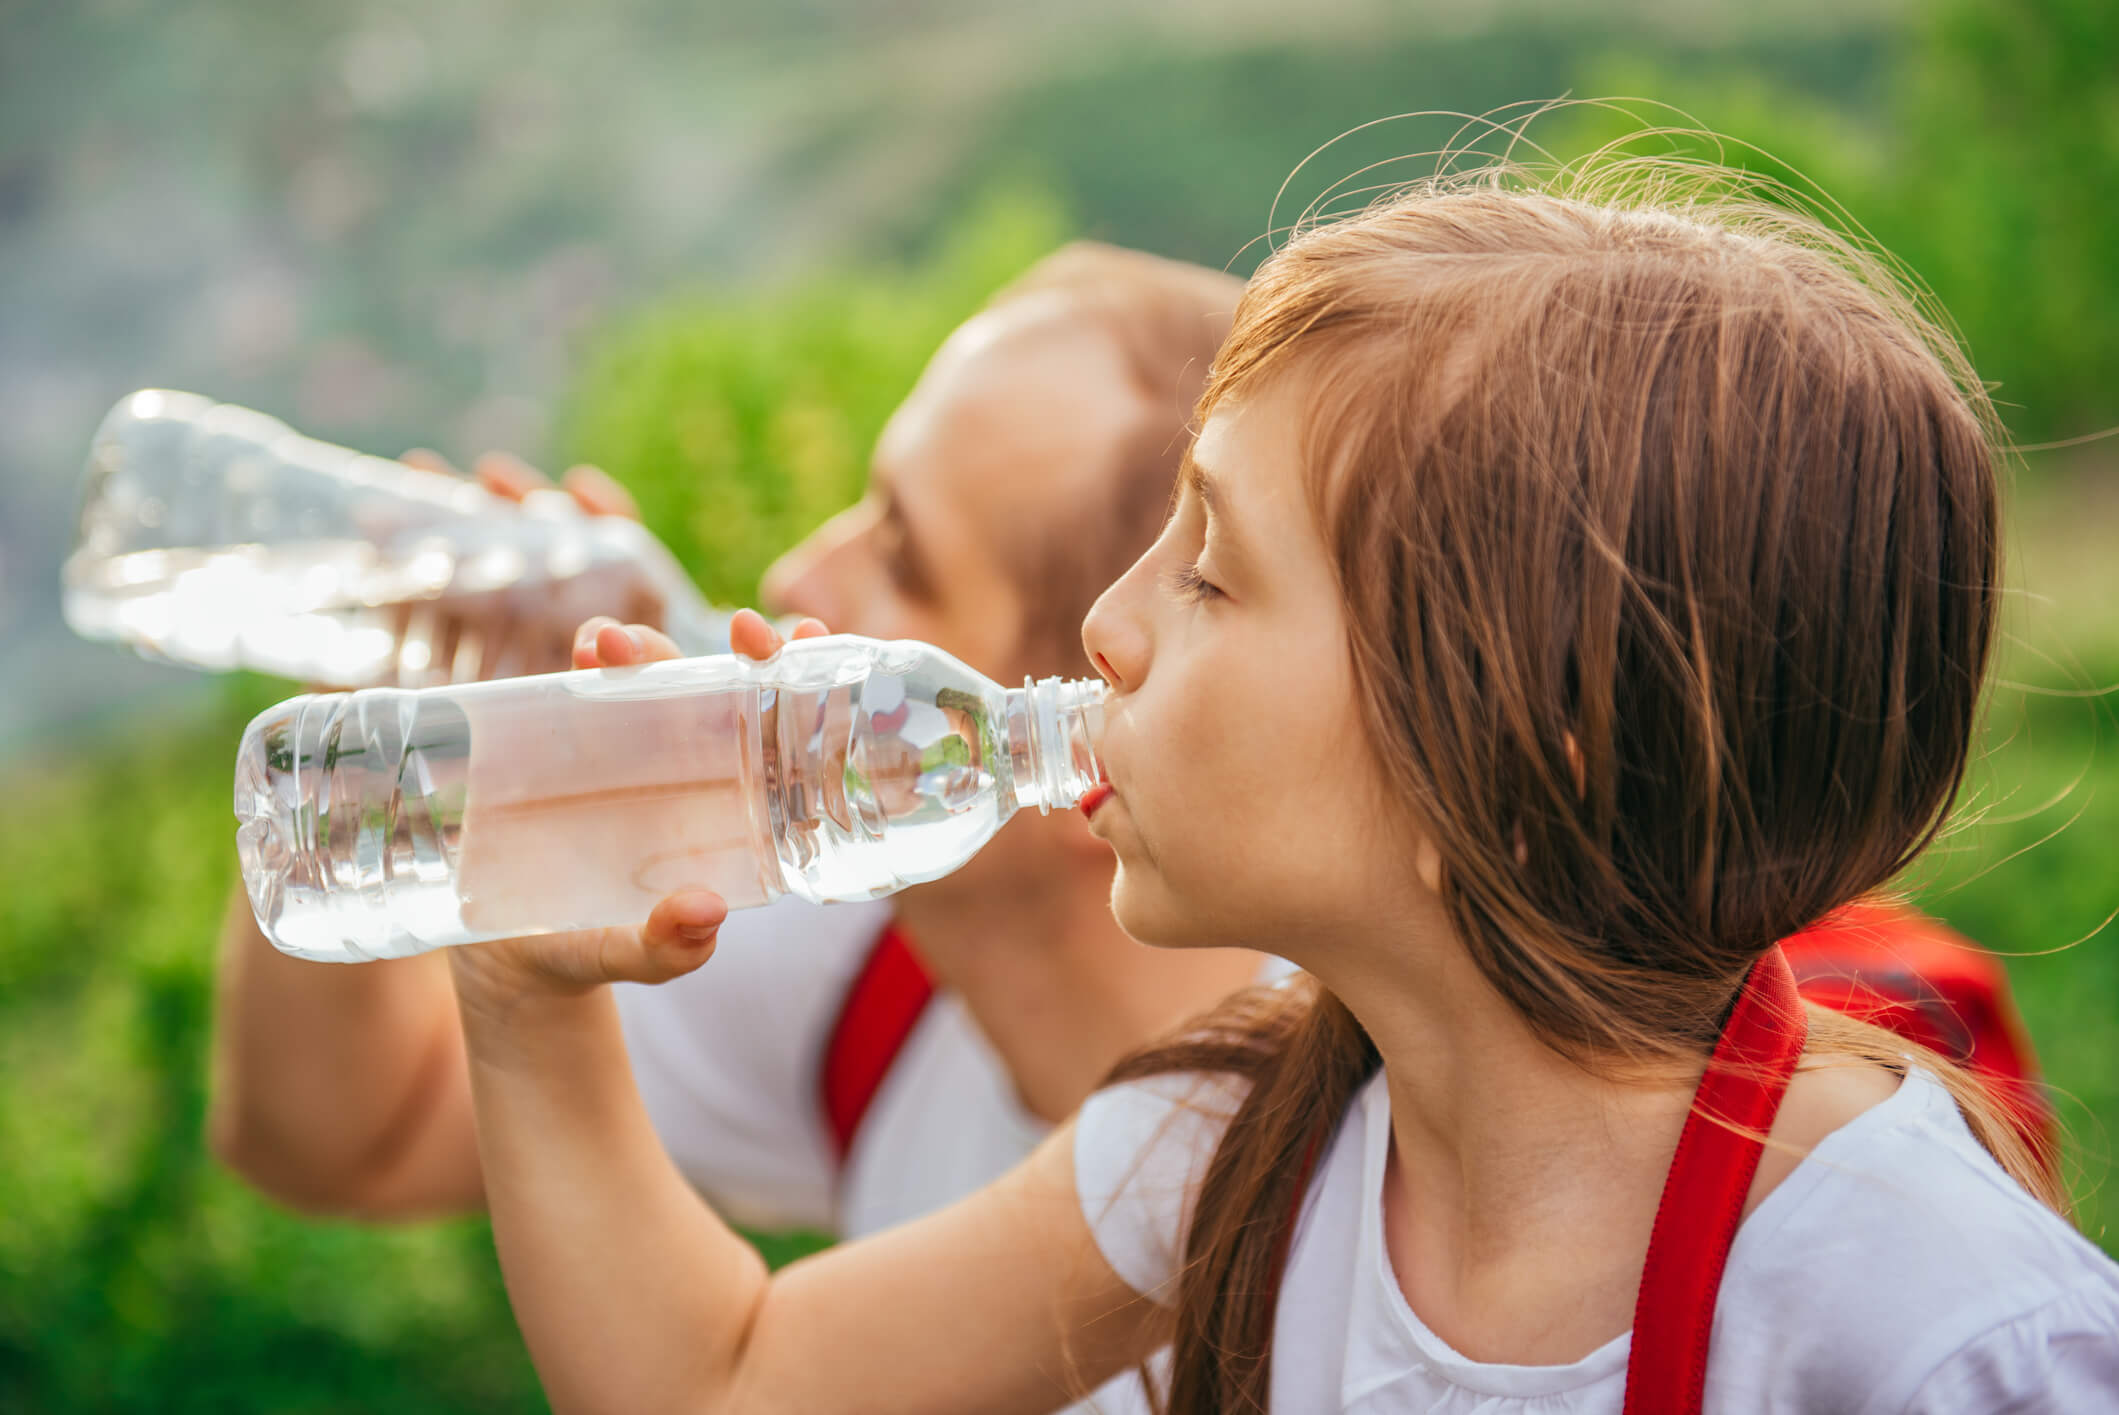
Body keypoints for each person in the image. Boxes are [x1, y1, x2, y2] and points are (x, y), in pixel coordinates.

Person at [441, 162, 2119, 1414]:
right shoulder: (1236, 1135)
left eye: (1210, 574)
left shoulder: (1922, 1321)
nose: (1103, 626)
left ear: (1517, 745)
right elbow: (724, 1385)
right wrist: (524, 989)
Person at [207, 242, 1267, 1248]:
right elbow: (338, 1143)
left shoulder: (1299, 1196)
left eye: (900, 554)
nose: (793, 578)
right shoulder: (868, 974)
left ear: (1099, 744)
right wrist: (388, 692)